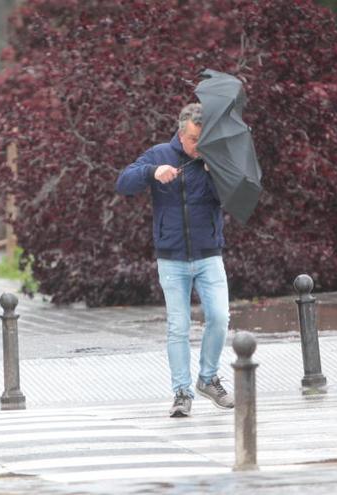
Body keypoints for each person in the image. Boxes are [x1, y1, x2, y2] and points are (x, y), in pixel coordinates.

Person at [115, 103, 235, 418]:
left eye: (205, 138)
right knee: (178, 326)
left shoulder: (214, 159)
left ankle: (208, 379)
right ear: (182, 134)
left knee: (220, 317)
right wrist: (152, 172)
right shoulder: (159, 155)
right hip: (171, 258)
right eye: (196, 139)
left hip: (209, 253)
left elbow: (231, 199)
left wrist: (216, 173)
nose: (201, 145)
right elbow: (123, 183)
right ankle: (182, 393)